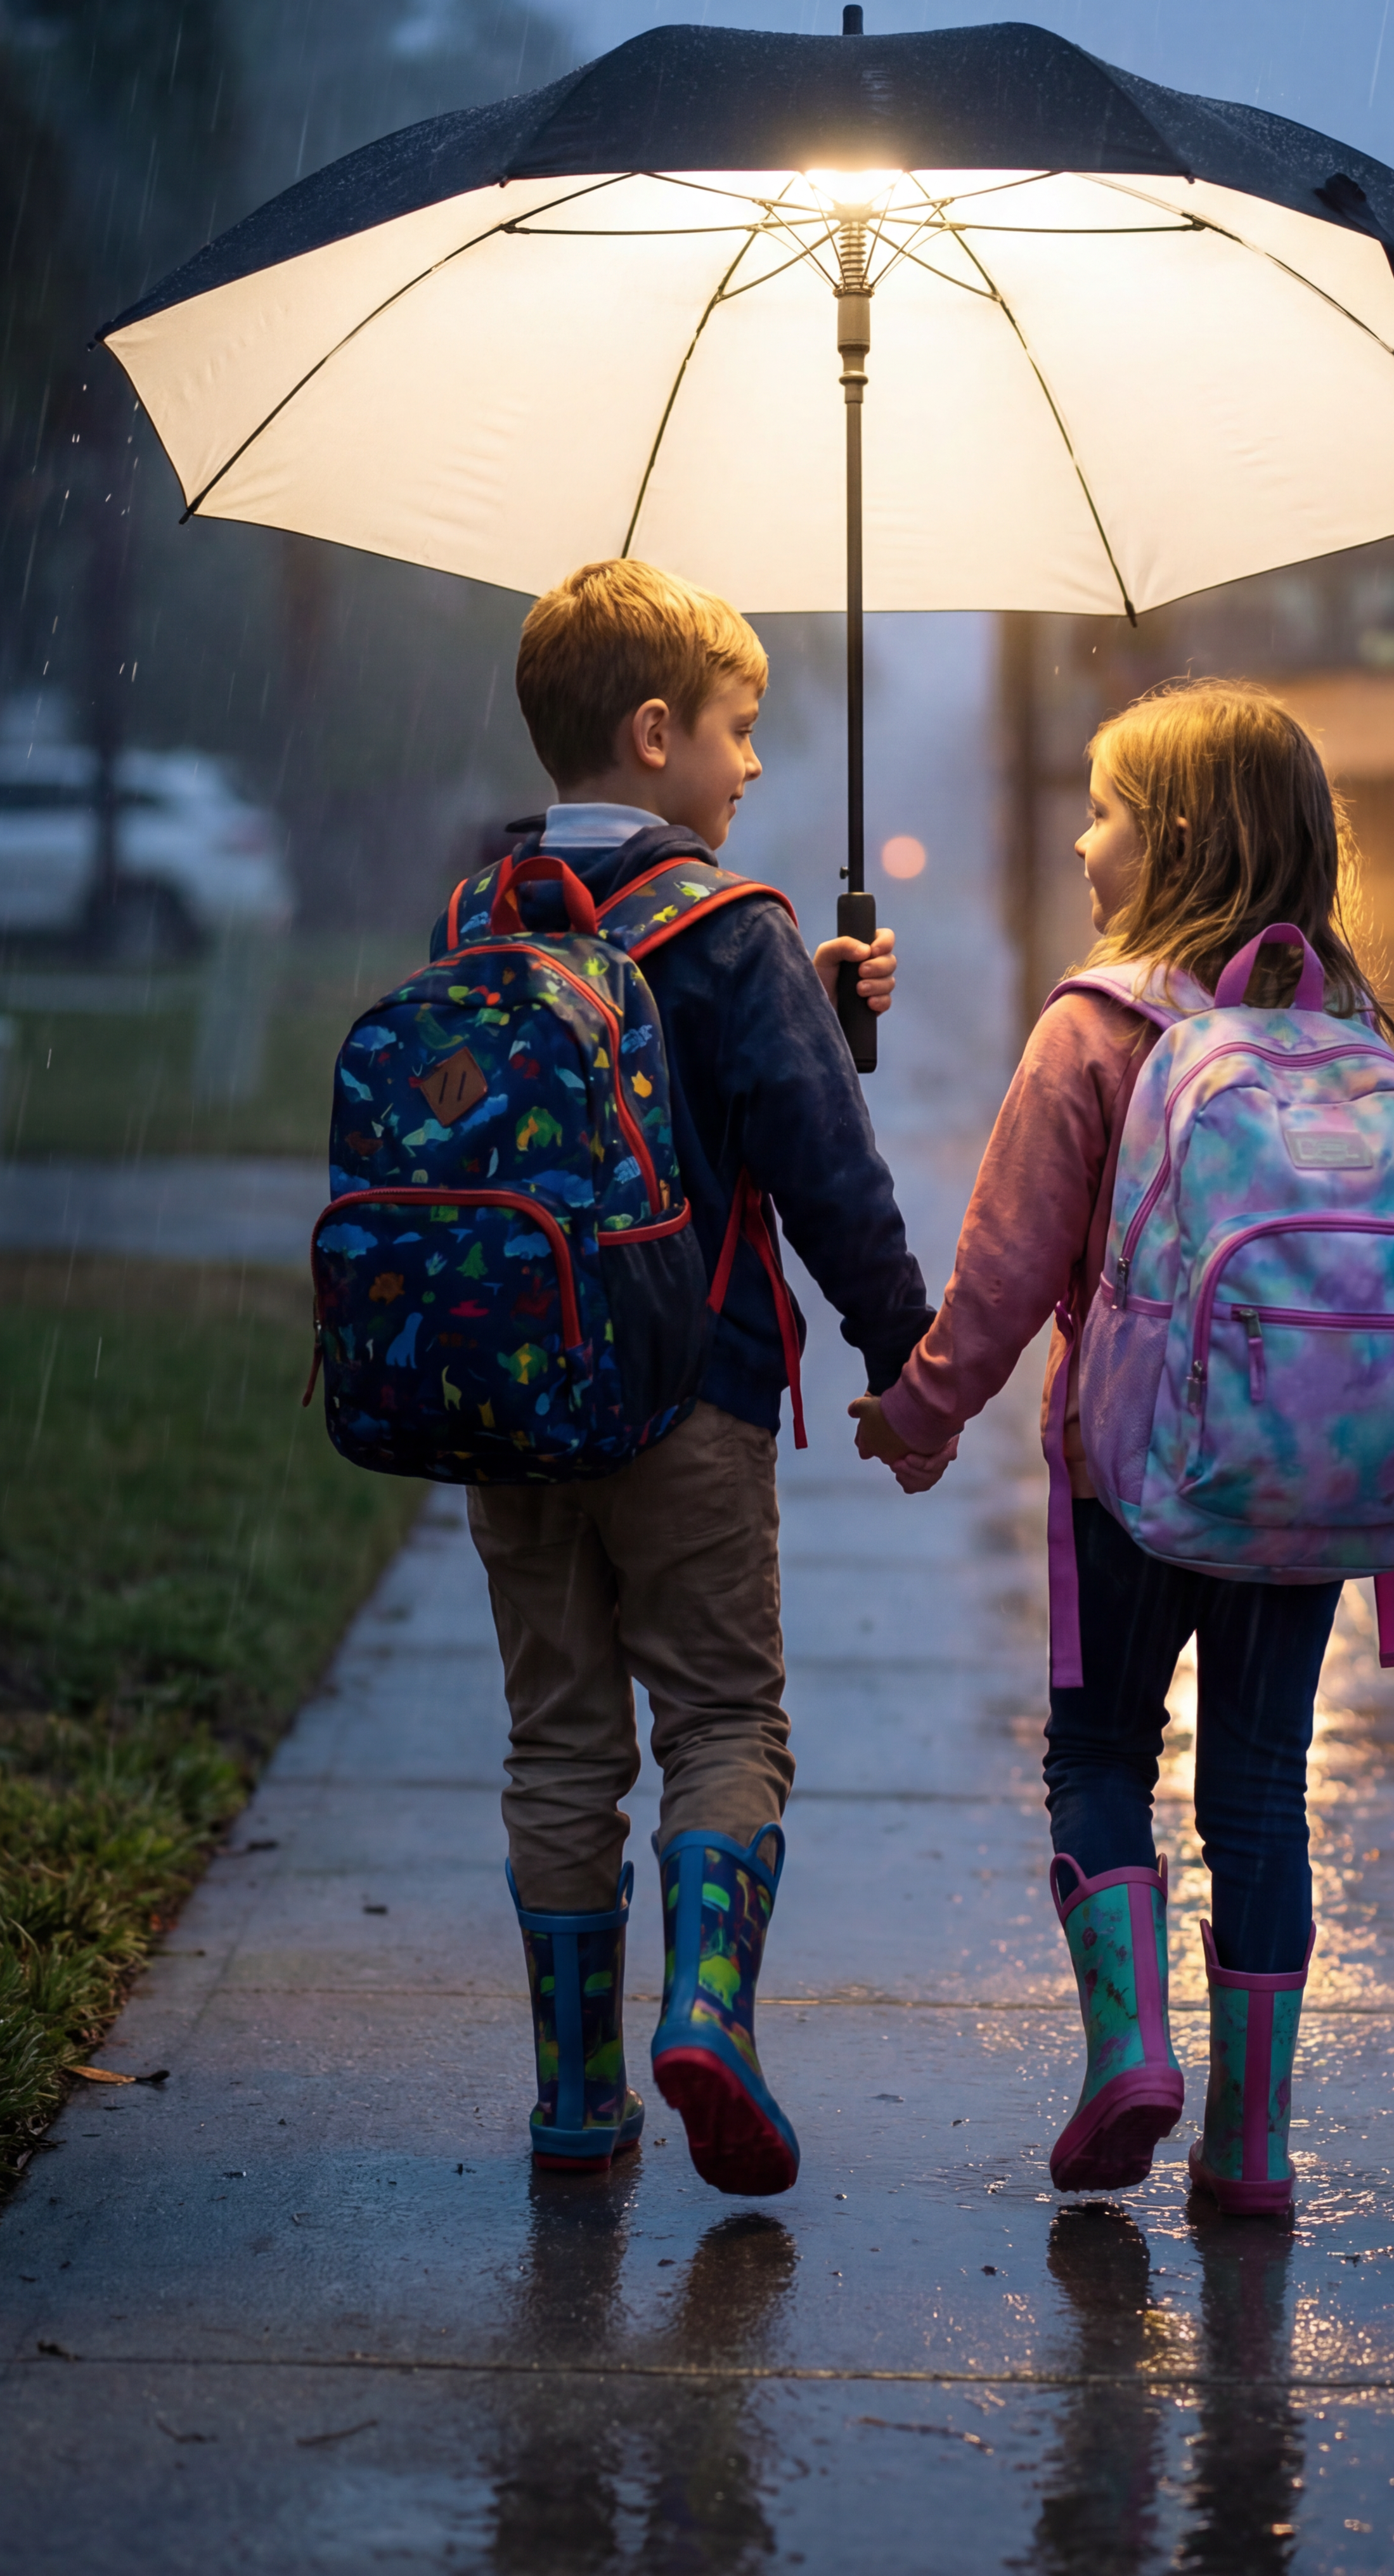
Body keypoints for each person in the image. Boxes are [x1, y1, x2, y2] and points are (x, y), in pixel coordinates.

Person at [849, 678, 1394, 2217]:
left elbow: (1008, 1268)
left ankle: (1129, 2057)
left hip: (1132, 1487)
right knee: (1258, 1792)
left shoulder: (1097, 1026)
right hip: (1305, 1490)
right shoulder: (1343, 1031)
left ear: (1162, 839)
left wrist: (919, 1411)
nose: (1079, 842)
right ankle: (1252, 2145)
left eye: (1097, 813)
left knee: (1100, 1756)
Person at [460, 557, 934, 2199]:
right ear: (654, 731)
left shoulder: (482, 910)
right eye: (737, 731)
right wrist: (909, 1362)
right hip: (690, 1398)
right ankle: (711, 2021)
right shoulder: (731, 930)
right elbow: (826, 1173)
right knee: (723, 1716)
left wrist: (796, 1001)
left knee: (560, 1744)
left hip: (509, 1404)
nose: (748, 766)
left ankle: (576, 2104)